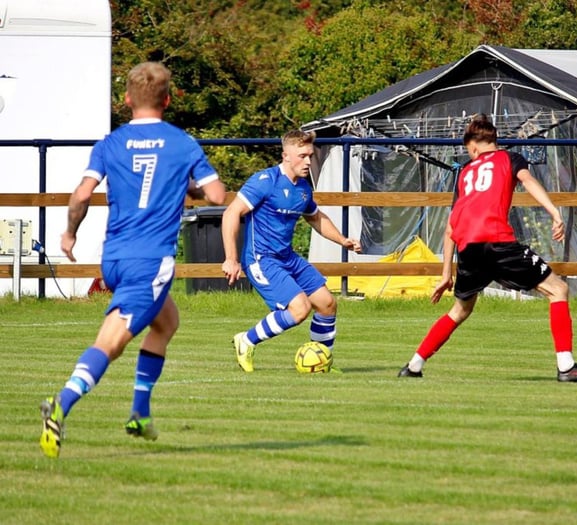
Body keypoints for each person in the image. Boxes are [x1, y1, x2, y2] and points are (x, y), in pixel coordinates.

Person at [39, 62, 226, 458]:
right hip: (150, 260)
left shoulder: (111, 143)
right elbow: (217, 196)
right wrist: (185, 184)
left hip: (115, 257)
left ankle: (139, 413)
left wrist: (70, 232)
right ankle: (61, 404)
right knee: (111, 343)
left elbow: (83, 195)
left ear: (126, 100)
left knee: (167, 321)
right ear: (169, 100)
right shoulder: (182, 143)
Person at [398, 114, 577, 383]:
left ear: (473, 146)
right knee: (558, 289)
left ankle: (414, 365)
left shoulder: (464, 173)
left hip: (469, 250)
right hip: (497, 242)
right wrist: (555, 213)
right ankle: (566, 366)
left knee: (460, 310)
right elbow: (529, 182)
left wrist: (445, 274)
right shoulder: (510, 159)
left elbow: (451, 228)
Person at [221, 129, 361, 372]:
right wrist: (231, 259)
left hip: (287, 258)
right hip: (262, 259)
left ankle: (321, 362)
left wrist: (342, 240)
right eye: (302, 156)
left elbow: (315, 217)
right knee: (299, 309)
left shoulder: (304, 188)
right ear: (286, 155)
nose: (308, 161)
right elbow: (231, 213)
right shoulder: (265, 182)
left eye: (310, 155)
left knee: (327, 304)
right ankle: (246, 340)